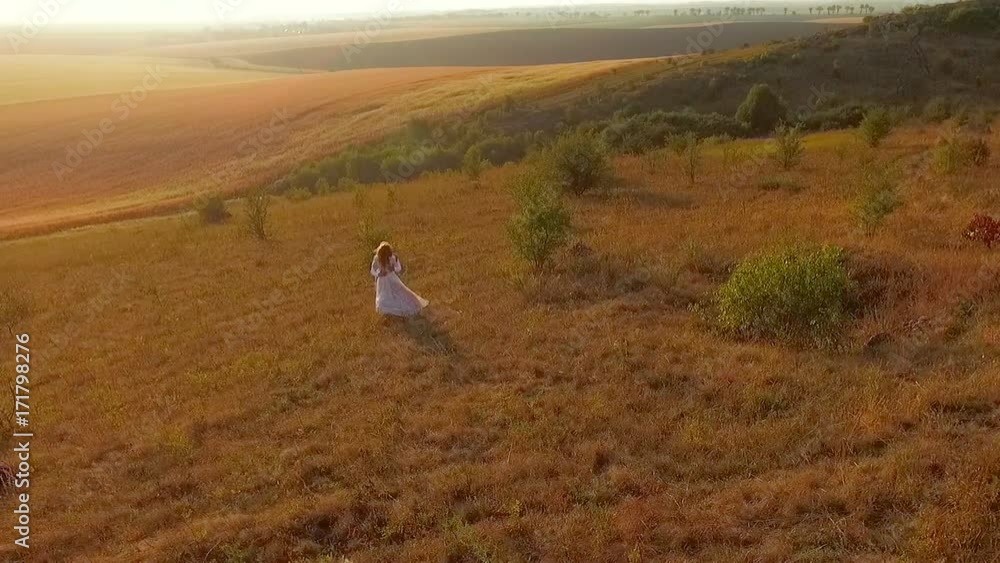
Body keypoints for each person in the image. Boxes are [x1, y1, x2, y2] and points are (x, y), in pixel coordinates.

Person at [370, 241, 429, 317]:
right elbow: (373, 270)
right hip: (385, 280)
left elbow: (398, 268)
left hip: (389, 279)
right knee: (392, 294)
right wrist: (379, 273)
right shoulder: (377, 259)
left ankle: (390, 309)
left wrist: (391, 269)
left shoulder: (391, 258)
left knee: (395, 293)